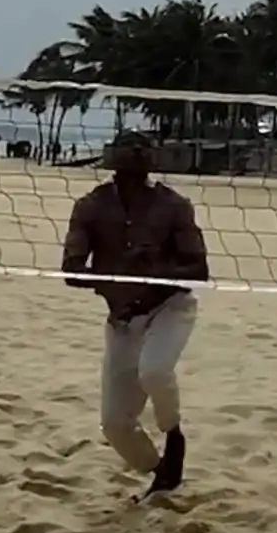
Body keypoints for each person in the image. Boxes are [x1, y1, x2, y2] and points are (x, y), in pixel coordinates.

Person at [60, 131, 209, 495]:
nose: (138, 152)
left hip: (169, 307)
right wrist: (115, 276)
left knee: (155, 371)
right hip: (123, 318)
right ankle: (159, 470)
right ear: (113, 156)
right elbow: (71, 271)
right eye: (130, 146)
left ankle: (174, 436)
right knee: (114, 424)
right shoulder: (91, 206)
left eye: (145, 147)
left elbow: (199, 270)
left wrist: (155, 270)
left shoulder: (174, 205)